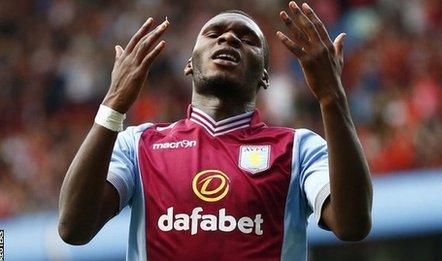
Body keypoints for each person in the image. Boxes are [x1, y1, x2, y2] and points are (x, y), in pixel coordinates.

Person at [58, 2, 372, 260]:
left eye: (246, 38)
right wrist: (113, 105)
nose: (229, 39)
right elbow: (74, 229)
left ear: (264, 76)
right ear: (190, 64)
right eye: (215, 33)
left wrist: (332, 97)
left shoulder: (299, 149)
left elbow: (352, 224)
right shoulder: (138, 145)